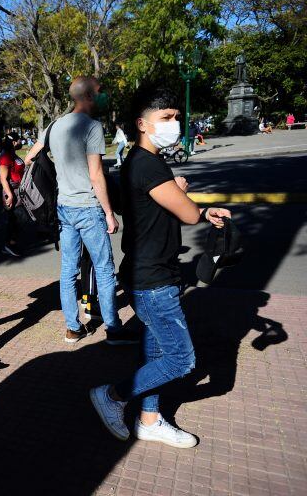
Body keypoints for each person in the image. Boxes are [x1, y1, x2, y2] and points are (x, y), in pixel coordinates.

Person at [89, 85, 232, 448]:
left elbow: (170, 212)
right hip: (152, 280)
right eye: (165, 118)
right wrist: (184, 195)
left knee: (155, 351)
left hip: (150, 272)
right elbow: (182, 211)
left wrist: (201, 210)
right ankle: (114, 396)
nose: (174, 123)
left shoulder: (140, 160)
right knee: (181, 359)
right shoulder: (149, 164)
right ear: (142, 123)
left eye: (176, 117)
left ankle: (149, 420)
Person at [25, 76, 137, 345]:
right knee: (104, 269)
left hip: (64, 207)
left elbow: (29, 157)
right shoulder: (92, 126)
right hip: (88, 207)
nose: (103, 96)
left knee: (68, 272)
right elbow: (96, 175)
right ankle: (113, 328)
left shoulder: (54, 126)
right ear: (87, 96)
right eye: (100, 92)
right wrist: (110, 213)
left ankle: (73, 328)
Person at [0, 131, 26, 257]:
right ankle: (9, 245)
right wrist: (9, 195)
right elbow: (3, 178)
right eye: (19, 140)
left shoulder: (12, 154)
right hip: (11, 190)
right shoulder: (5, 157)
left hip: (18, 190)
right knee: (14, 219)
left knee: (17, 219)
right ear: (14, 142)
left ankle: (11, 243)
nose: (21, 142)